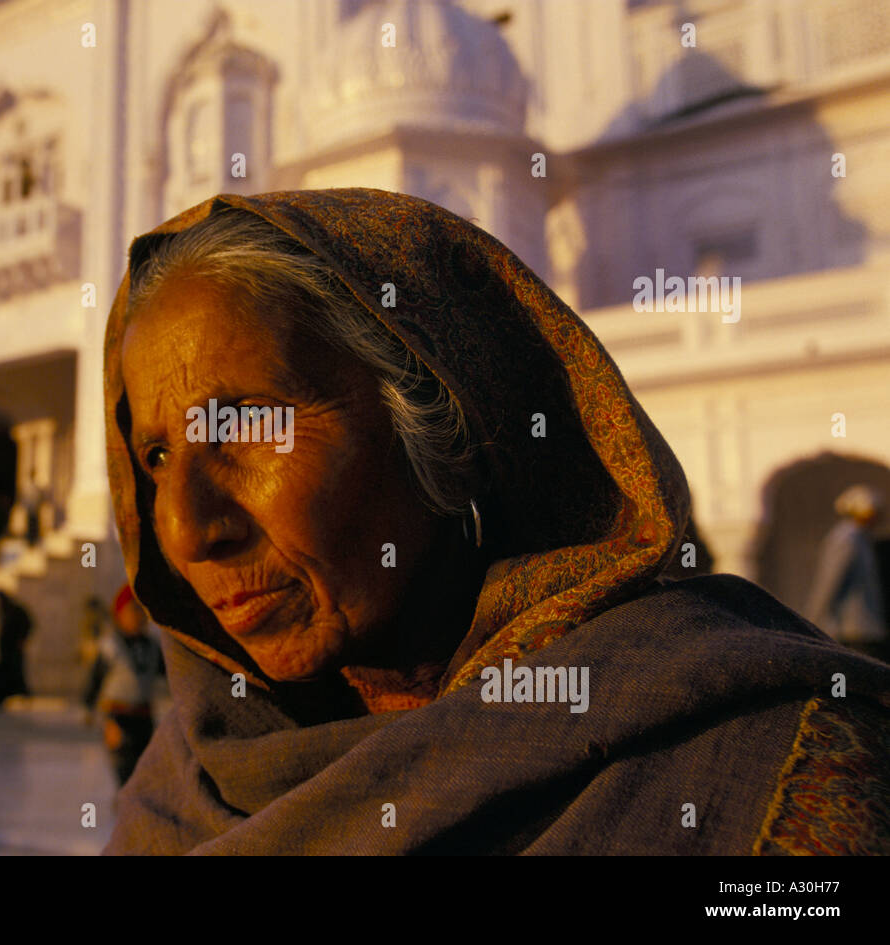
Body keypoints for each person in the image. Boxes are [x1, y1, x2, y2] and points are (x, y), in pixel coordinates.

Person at [100, 189, 890, 855]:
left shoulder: (763, 755)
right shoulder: (190, 792)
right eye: (157, 458)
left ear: (446, 422)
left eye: (244, 426)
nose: (185, 529)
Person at [82, 584, 164, 785]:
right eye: (133, 610)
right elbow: (95, 681)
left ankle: (136, 806)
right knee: (124, 767)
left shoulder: (152, 646)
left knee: (144, 768)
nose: (138, 617)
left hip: (144, 715)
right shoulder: (110, 646)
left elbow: (171, 674)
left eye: (142, 611)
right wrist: (96, 715)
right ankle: (126, 805)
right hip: (118, 716)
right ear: (120, 615)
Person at [806, 485, 888, 661]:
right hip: (851, 631)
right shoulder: (846, 538)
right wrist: (813, 622)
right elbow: (830, 582)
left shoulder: (861, 538)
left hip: (865, 629)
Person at [0, 587, 33, 706]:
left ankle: (22, 696)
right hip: (6, 650)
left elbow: (28, 624)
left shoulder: (15, 610)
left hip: (13, 650)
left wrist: (21, 640)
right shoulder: (6, 610)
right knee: (7, 674)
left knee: (15, 674)